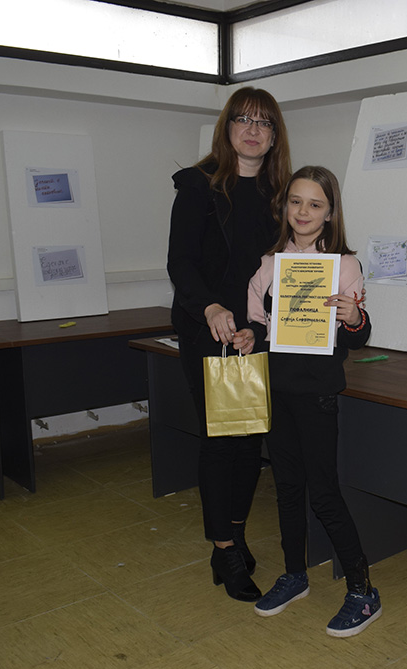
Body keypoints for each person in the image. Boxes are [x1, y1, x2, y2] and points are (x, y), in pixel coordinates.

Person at [242, 165, 382, 637]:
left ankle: (363, 591)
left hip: (317, 395)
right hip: (277, 391)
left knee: (323, 494)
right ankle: (294, 575)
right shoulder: (269, 262)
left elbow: (357, 337)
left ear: (330, 212)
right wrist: (249, 335)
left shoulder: (344, 265)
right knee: (287, 488)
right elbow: (259, 324)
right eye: (296, 201)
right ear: (285, 206)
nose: (303, 211)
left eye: (315, 204)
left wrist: (354, 315)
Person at [166, 87, 291, 602]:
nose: (253, 130)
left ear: (274, 136)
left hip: (254, 333)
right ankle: (223, 549)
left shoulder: (280, 195)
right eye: (243, 119)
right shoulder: (197, 186)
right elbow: (180, 263)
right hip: (208, 329)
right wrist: (212, 308)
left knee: (248, 441)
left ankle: (235, 534)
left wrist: (258, 326)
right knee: (221, 439)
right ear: (228, 127)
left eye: (264, 122)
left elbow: (283, 271)